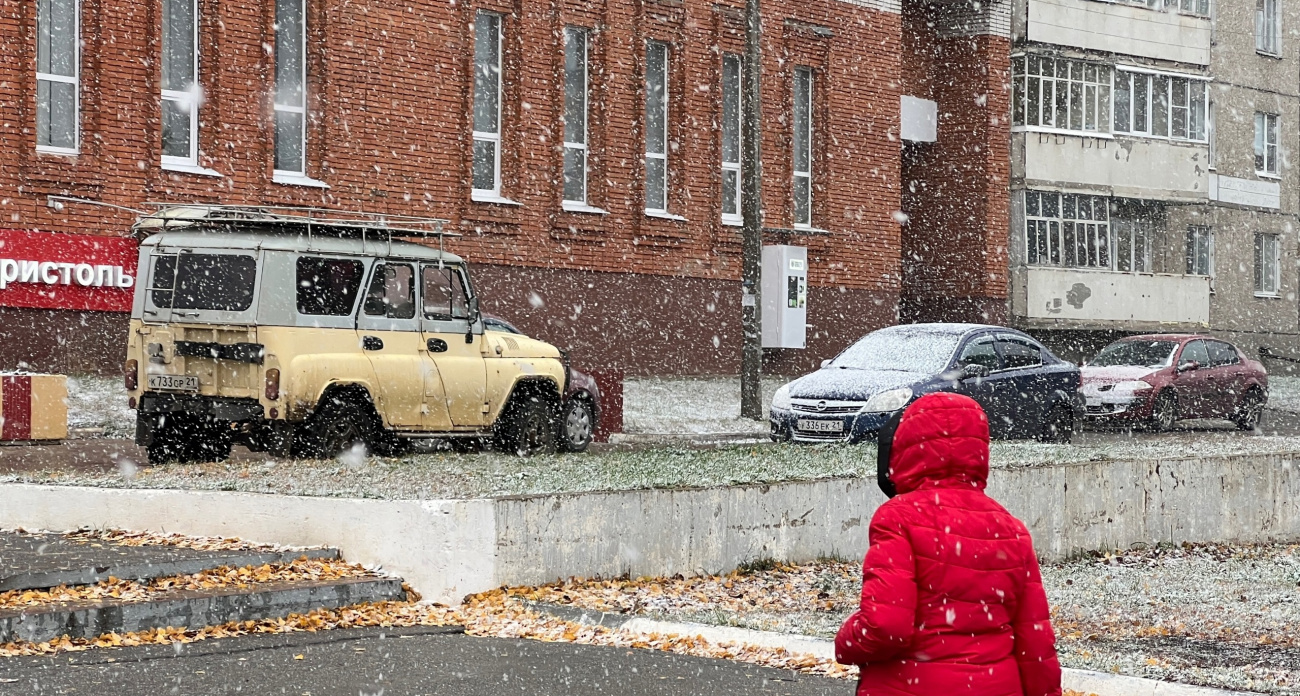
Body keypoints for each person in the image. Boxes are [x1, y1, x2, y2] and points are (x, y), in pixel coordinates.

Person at [835, 392, 1061, 696]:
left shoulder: (898, 518)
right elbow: (1036, 645)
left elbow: (886, 627)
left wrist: (846, 641)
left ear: (905, 448)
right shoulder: (1012, 530)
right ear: (979, 450)